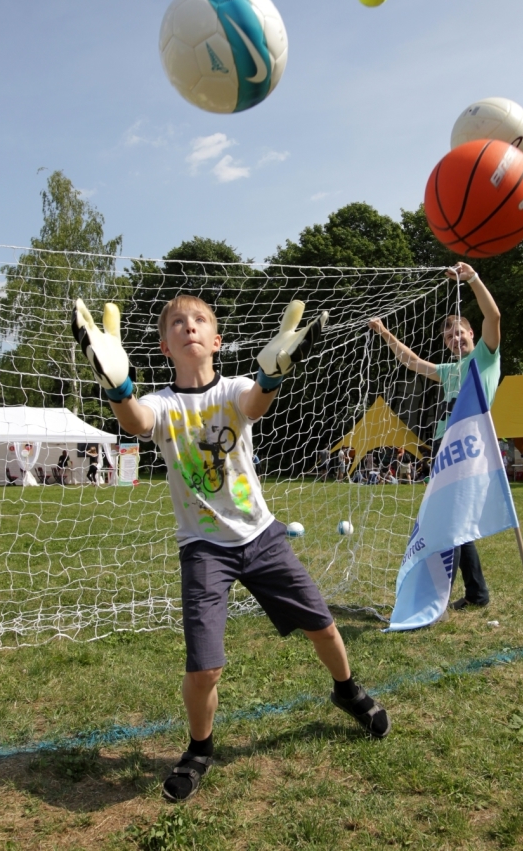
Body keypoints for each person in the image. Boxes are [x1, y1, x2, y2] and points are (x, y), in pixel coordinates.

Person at [72, 294, 391, 803]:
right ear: (164, 347)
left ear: (217, 341)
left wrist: (271, 374)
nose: (189, 326)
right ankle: (200, 748)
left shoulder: (236, 388)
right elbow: (134, 421)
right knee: (204, 668)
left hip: (261, 535)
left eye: (199, 320)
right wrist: (117, 383)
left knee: (324, 626)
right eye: (177, 323)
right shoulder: (161, 402)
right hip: (204, 549)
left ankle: (347, 690)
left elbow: (255, 404)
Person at [369, 261, 501, 610]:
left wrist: (472, 278)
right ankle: (475, 593)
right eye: (449, 336)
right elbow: (412, 362)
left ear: (472, 335)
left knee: (449, 518)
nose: (455, 339)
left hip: (471, 443)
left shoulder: (486, 359)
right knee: (453, 520)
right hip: (446, 445)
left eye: (460, 333)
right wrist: (384, 332)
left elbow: (494, 317)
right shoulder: (447, 369)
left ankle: (438, 595)